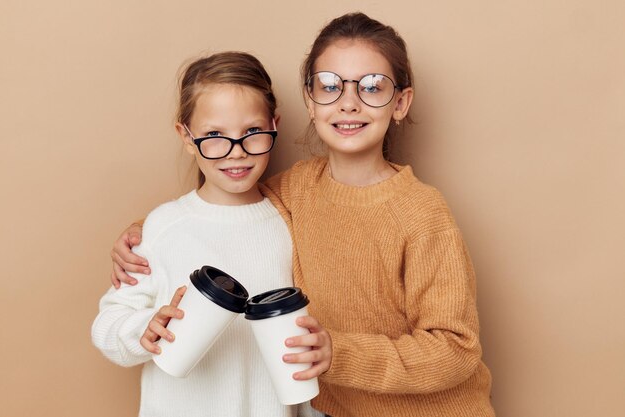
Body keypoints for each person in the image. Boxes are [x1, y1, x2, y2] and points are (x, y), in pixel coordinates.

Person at [109, 13, 496, 417]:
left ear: (400, 103)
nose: (349, 102)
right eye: (330, 85)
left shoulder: (422, 214)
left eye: (372, 87)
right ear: (310, 102)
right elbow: (227, 209)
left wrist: (338, 353)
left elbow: (456, 349)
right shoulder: (298, 189)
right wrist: (142, 233)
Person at [92, 51, 330, 417]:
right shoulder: (162, 227)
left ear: (274, 125)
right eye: (214, 135)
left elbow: (307, 342)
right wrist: (146, 328)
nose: (236, 152)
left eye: (251, 132)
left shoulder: (292, 222)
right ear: (186, 137)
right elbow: (107, 327)